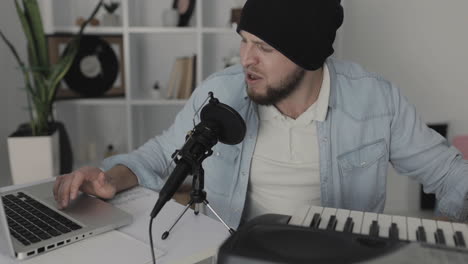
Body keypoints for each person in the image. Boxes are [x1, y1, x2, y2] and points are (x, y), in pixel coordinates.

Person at [54, 0, 468, 229]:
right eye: (245, 41)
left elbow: (453, 175)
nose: (246, 59)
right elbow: (164, 154)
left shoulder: (377, 102)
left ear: (307, 55)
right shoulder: (223, 90)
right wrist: (111, 178)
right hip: (236, 252)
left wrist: (443, 235)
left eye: (265, 48)